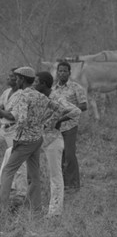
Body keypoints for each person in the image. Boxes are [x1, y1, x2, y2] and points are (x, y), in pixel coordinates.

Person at [0, 67, 70, 213]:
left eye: (18, 78)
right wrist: (45, 123)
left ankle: (2, 209)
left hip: (24, 141)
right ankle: (36, 210)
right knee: (34, 176)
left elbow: (22, 118)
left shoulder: (22, 96)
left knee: (7, 171)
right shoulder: (39, 96)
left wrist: (18, 133)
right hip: (37, 139)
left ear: (23, 80)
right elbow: (60, 109)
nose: (16, 80)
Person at [34, 71, 81, 217]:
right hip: (44, 140)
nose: (34, 84)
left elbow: (76, 110)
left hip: (53, 140)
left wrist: (58, 120)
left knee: (55, 177)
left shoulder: (56, 97)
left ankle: (55, 212)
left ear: (43, 84)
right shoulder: (42, 97)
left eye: (36, 82)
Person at [50, 61, 87, 191]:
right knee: (59, 154)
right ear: (57, 72)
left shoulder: (76, 88)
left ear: (69, 73)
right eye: (60, 71)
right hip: (56, 126)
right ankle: (62, 184)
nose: (62, 73)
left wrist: (68, 111)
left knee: (70, 155)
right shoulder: (53, 89)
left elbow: (84, 105)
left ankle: (73, 184)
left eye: (65, 71)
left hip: (70, 125)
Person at [0, 67, 27, 208]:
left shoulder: (22, 95)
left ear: (19, 79)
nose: (9, 79)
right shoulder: (6, 92)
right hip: (3, 127)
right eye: (9, 76)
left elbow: (11, 116)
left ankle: (20, 194)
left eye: (12, 77)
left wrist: (3, 112)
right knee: (8, 158)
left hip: (14, 130)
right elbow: (3, 110)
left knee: (19, 162)